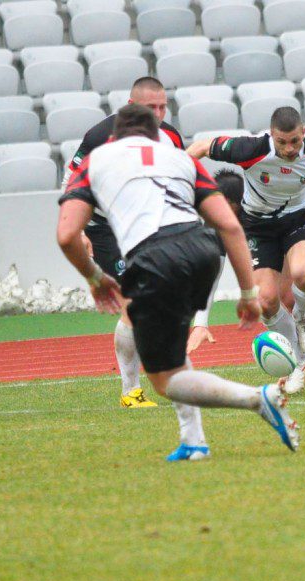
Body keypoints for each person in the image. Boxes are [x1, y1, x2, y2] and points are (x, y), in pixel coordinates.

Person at [57, 104, 299, 461]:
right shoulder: (179, 160)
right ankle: (194, 440)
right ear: (156, 136)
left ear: (115, 136)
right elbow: (230, 227)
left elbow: (66, 236)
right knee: (171, 354)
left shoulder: (101, 158)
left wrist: (95, 277)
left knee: (165, 380)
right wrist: (248, 293)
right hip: (200, 249)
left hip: (156, 257)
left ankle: (258, 399)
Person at [186, 107, 305, 361]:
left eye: (295, 141)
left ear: (303, 133)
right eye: (282, 142)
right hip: (260, 228)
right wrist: (176, 172)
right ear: (271, 135)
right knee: (267, 301)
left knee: (302, 278)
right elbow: (203, 147)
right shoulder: (250, 150)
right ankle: (302, 363)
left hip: (299, 220)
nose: (290, 149)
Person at [64, 76, 185, 408]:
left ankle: (167, 373)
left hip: (147, 223)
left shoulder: (171, 137)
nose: (159, 114)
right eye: (151, 107)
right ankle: (131, 391)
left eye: (163, 106)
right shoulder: (100, 136)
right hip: (105, 226)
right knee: (135, 301)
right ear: (132, 106)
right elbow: (70, 180)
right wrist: (78, 232)